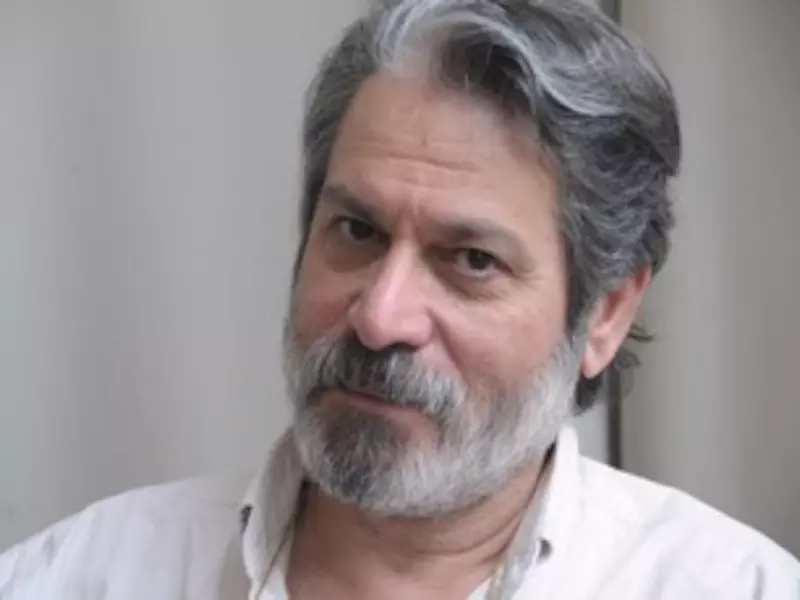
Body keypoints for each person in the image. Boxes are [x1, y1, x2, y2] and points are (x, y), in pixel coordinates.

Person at [2, 0, 799, 598]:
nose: (380, 318)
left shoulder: (729, 586)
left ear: (604, 314)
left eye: (472, 261)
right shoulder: (76, 575)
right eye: (356, 230)